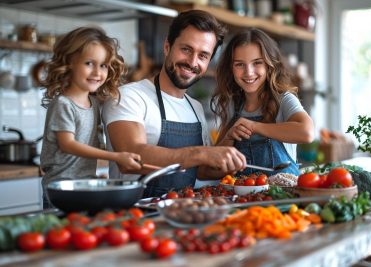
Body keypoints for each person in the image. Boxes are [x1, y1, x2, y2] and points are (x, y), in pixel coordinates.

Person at [103, 10, 246, 198]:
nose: (192, 62)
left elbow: (200, 171)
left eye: (203, 56)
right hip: (135, 218)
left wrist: (228, 163)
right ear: (167, 47)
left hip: (182, 215)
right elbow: (131, 157)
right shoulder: (128, 96)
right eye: (186, 49)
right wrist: (201, 153)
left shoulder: (195, 108)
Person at [40, 27, 142, 206]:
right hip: (61, 190)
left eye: (103, 65)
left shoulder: (94, 103)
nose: (97, 72)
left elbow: (90, 141)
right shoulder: (63, 104)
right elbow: (68, 145)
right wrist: (116, 156)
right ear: (69, 62)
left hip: (84, 186)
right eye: (89, 63)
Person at [210, 28, 314, 176]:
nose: (249, 72)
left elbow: (307, 132)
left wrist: (255, 126)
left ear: (269, 65)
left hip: (284, 197)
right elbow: (213, 165)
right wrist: (229, 137)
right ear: (230, 68)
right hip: (245, 198)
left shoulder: (283, 99)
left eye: (257, 63)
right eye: (239, 64)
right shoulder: (232, 104)